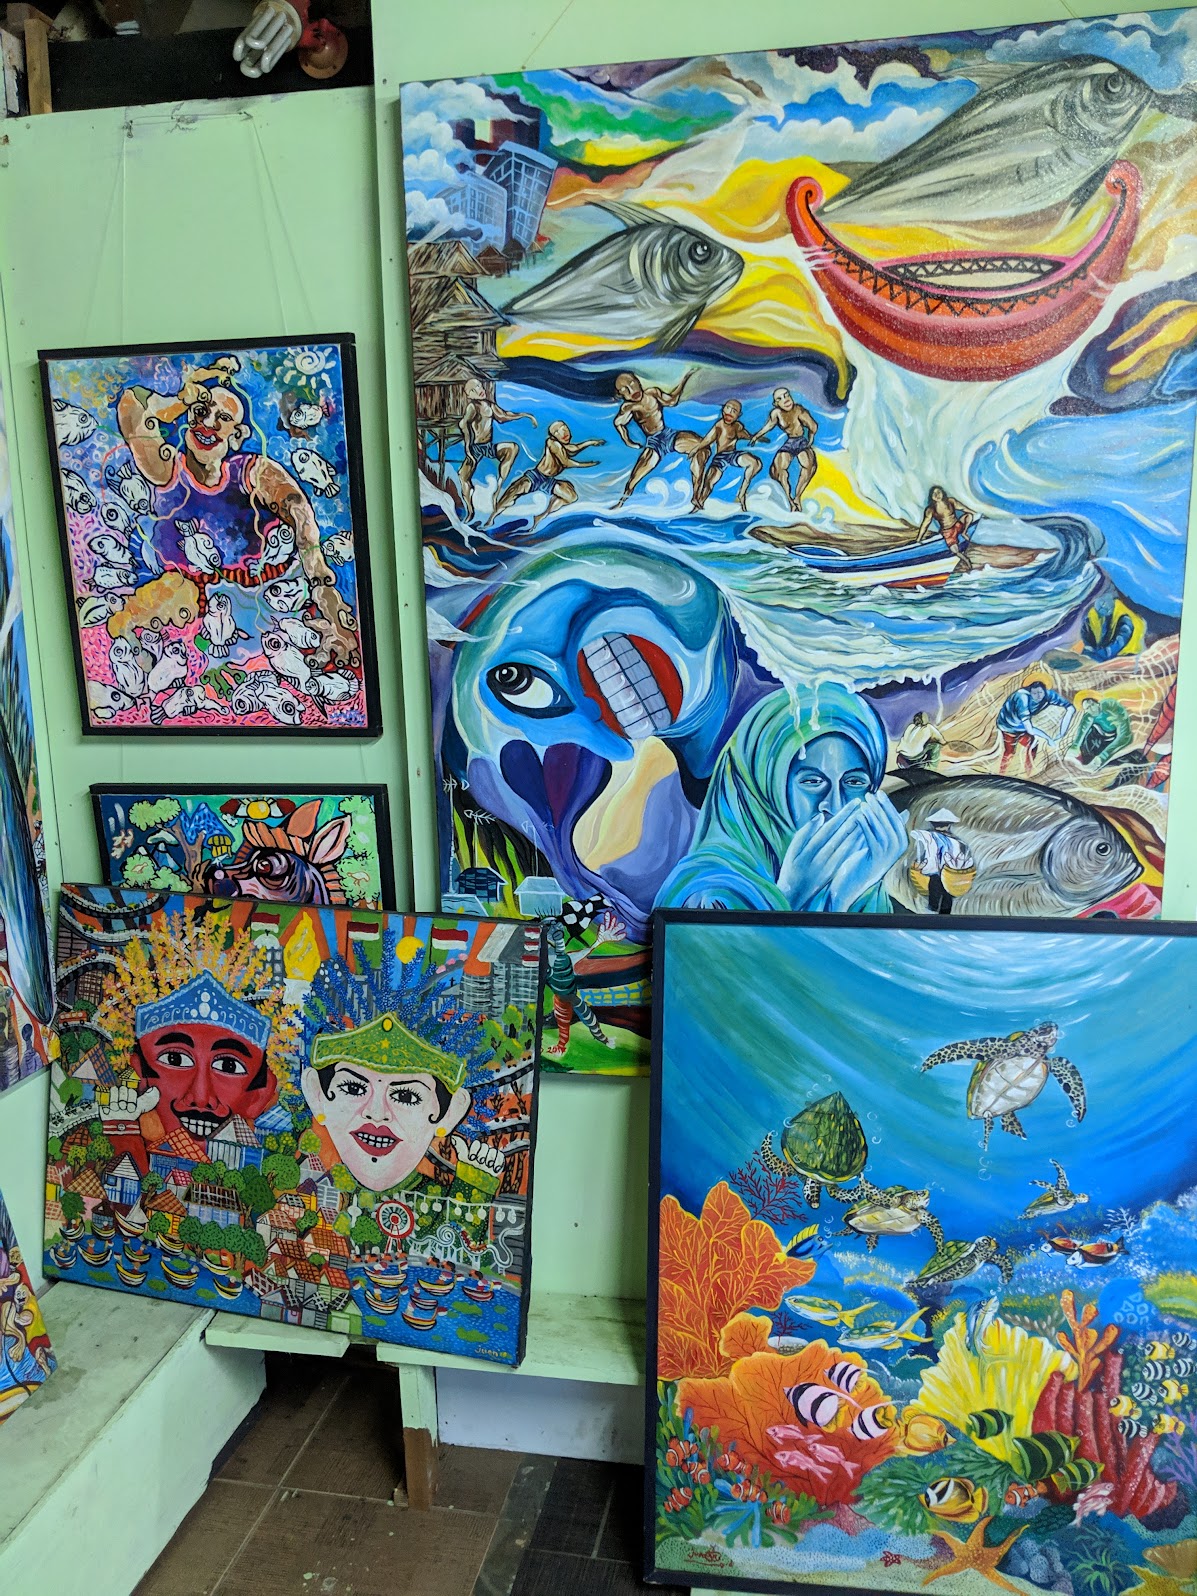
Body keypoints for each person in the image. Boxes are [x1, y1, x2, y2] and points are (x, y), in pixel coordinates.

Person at [116, 356, 356, 666]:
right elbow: (131, 404)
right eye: (201, 410)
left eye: (223, 417)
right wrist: (180, 399)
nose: (209, 423)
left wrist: (322, 584)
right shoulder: (166, 471)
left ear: (237, 435)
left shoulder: (251, 472)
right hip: (187, 606)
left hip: (266, 599)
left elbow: (299, 511)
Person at [656, 683, 907, 912]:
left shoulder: (862, 882)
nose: (836, 805)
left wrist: (840, 898)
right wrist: (791, 894)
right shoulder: (704, 894)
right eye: (812, 782)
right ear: (761, 787)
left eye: (854, 782)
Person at [612, 370, 708, 508]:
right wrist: (629, 442)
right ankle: (620, 504)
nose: (631, 391)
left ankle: (697, 496)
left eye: (632, 384)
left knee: (702, 447)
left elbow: (672, 401)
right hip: (654, 443)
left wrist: (684, 379)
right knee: (634, 479)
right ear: (622, 395)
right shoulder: (629, 407)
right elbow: (618, 423)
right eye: (625, 390)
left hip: (668, 435)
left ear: (638, 381)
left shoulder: (653, 393)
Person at [485, 421, 603, 529]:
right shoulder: (552, 443)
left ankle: (541, 516)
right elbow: (565, 462)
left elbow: (575, 448)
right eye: (557, 431)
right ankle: (492, 518)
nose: (563, 432)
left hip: (549, 481)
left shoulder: (563, 446)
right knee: (513, 491)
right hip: (536, 477)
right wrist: (587, 464)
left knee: (571, 496)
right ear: (553, 436)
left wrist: (590, 442)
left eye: (564, 428)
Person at [543, 914, 623, 1056]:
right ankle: (561, 1047)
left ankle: (603, 1040)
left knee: (588, 1019)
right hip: (563, 999)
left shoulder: (564, 958)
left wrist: (599, 941)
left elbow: (580, 953)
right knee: (570, 1024)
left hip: (570, 997)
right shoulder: (548, 962)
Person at [458, 377, 536, 521]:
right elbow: (463, 424)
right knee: (463, 477)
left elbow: (504, 416)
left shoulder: (490, 406)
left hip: (488, 446)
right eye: (473, 390)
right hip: (475, 448)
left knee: (512, 448)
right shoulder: (472, 407)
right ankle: (470, 510)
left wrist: (525, 415)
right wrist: (468, 449)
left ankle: (499, 487)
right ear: (469, 396)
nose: (479, 390)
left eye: (479, 386)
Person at [751, 387, 818, 514]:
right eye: (780, 398)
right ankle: (790, 501)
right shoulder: (776, 413)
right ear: (776, 403)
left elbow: (813, 426)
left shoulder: (798, 410)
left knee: (809, 465)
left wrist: (810, 438)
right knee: (778, 468)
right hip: (790, 442)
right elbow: (768, 426)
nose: (785, 400)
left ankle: (797, 497)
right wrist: (756, 436)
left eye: (787, 395)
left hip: (801, 441)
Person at [694, 399, 761, 510]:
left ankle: (742, 493)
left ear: (739, 415)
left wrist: (755, 438)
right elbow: (707, 440)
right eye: (728, 408)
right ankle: (698, 505)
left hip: (732, 455)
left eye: (734, 411)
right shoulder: (719, 425)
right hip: (720, 457)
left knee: (755, 463)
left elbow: (746, 435)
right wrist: (696, 449)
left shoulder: (737, 426)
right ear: (723, 409)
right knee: (709, 482)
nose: (730, 412)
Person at [997, 678, 1074, 773]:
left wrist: (1062, 733)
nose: (1038, 696)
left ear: (1044, 691)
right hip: (1009, 726)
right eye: (1035, 693)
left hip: (1023, 726)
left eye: (1040, 692)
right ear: (1030, 692)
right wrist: (1048, 738)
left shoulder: (1048, 695)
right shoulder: (1022, 697)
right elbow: (1029, 729)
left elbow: (1070, 708)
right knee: (1009, 752)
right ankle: (1001, 772)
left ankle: (1028, 772)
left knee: (1032, 746)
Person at [910, 807, 974, 915]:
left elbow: (920, 847)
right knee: (947, 897)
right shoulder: (956, 842)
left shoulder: (927, 837)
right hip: (950, 874)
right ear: (949, 825)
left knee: (934, 895)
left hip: (934, 872)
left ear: (933, 824)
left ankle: (932, 913)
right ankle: (944, 916)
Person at [917, 485, 976, 571]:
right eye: (934, 494)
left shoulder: (950, 501)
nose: (937, 495)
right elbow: (924, 525)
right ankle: (966, 561)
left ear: (942, 493)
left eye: (938, 492)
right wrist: (919, 538)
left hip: (957, 524)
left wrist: (977, 514)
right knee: (955, 550)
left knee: (969, 516)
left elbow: (964, 508)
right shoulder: (930, 509)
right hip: (947, 531)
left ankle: (964, 532)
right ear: (931, 497)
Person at [1070, 694, 1132, 769]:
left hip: (1113, 737)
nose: (1091, 709)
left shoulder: (1111, 705)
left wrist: (1103, 756)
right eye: (1087, 708)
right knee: (1087, 745)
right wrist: (1074, 747)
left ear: (1097, 703)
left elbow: (1125, 735)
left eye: (1092, 705)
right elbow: (1081, 732)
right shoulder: (1088, 716)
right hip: (1098, 735)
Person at [1081, 591, 1144, 662]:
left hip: (1126, 654)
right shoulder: (1102, 612)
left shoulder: (1125, 619)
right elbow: (1087, 628)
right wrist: (1089, 648)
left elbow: (1119, 643)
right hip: (1105, 652)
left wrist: (1098, 654)